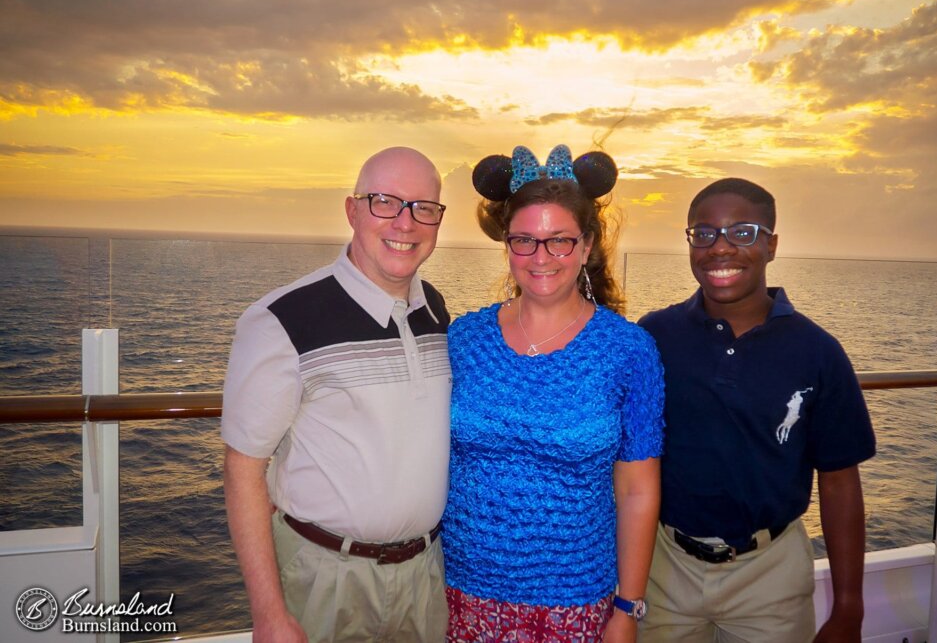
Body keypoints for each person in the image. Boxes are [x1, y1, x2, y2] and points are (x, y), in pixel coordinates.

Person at [221, 147, 451, 643]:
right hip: (325, 579)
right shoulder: (283, 318)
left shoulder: (434, 309)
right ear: (352, 210)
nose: (405, 223)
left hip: (426, 577)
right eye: (385, 202)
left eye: (423, 207)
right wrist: (269, 615)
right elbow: (242, 469)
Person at [638, 177, 876, 642]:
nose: (720, 248)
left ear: (771, 244)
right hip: (665, 564)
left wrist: (849, 605)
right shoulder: (656, 336)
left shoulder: (817, 352)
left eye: (742, 232)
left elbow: (840, 479)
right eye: (703, 233)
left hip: (770, 572)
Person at [443, 144, 665, 643]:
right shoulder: (465, 340)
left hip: (576, 602)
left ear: (586, 246)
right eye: (525, 240)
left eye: (559, 241)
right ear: (507, 245)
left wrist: (628, 609)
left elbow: (637, 490)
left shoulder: (628, 350)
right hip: (459, 595)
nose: (541, 257)